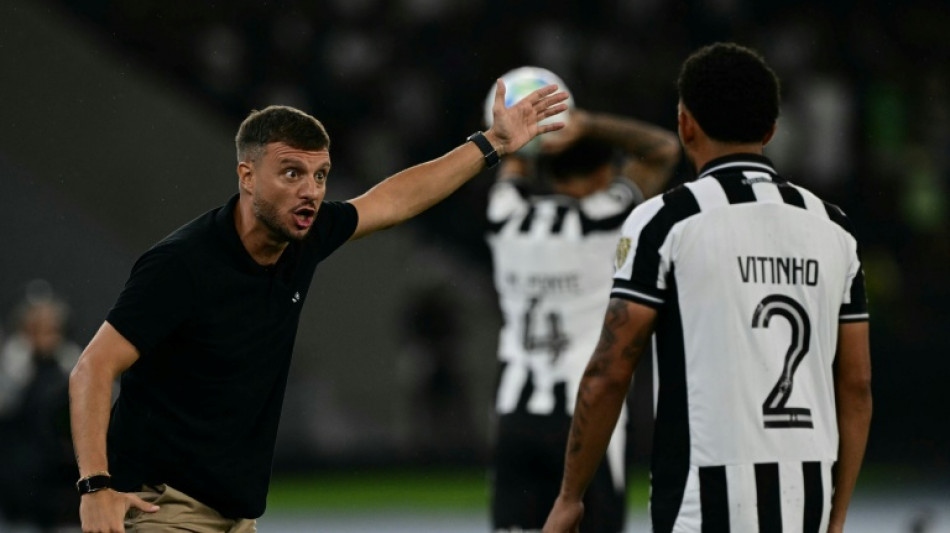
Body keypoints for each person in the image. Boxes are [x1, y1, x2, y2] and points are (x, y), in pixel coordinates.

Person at [69, 80, 569, 532]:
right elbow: (93, 367)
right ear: (247, 176)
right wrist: (95, 488)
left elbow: (393, 200)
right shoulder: (181, 265)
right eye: (291, 173)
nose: (310, 192)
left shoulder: (302, 237)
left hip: (234, 516)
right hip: (164, 508)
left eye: (321, 175)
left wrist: (493, 144)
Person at [544, 42, 872, 533]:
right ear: (771, 131)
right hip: (807, 497)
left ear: (685, 124)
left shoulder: (664, 221)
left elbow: (611, 370)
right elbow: (857, 385)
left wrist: (570, 497)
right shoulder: (834, 227)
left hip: (704, 501)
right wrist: (837, 514)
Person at [485, 68, 681, 532]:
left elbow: (511, 161)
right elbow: (662, 150)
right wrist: (586, 124)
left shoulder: (505, 215)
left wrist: (523, 137)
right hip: (587, 419)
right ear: (602, 173)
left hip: (515, 414)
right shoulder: (605, 218)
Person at [0, 284, 82, 530]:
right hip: (12, 503)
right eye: (33, 329)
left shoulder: (72, 370)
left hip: (60, 501)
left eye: (51, 329)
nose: (43, 338)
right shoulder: (12, 370)